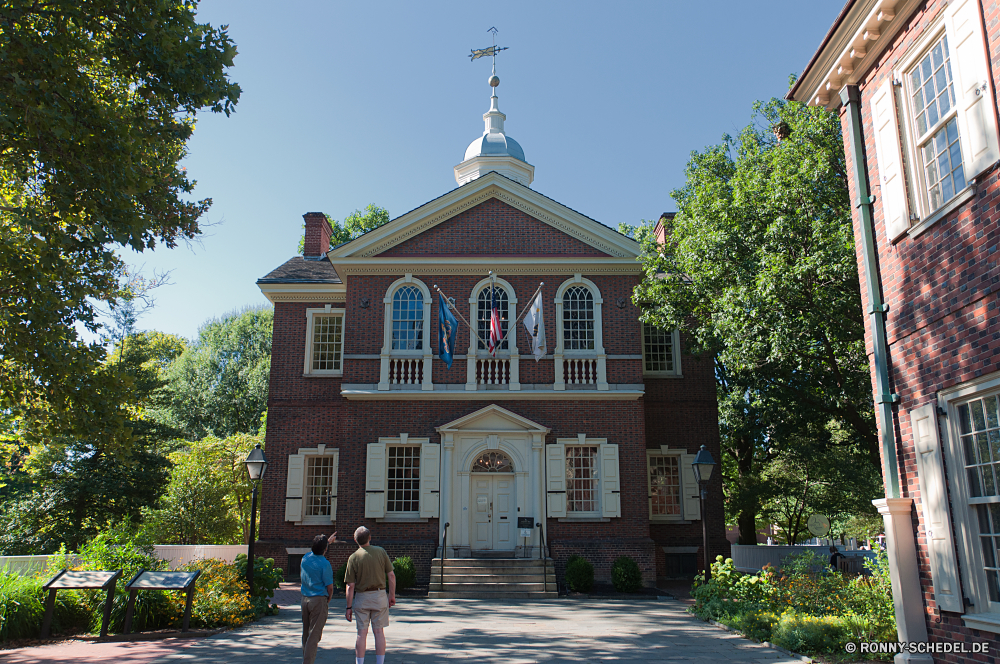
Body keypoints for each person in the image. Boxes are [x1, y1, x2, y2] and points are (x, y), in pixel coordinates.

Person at [345, 526, 395, 664]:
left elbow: (350, 585)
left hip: (362, 597)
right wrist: (392, 595)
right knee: (379, 632)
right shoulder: (380, 552)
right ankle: (380, 662)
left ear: (355, 540)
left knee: (361, 634)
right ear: (370, 537)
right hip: (379, 596)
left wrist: (348, 607)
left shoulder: (353, 557)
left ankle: (359, 662)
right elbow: (391, 575)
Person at [300, 533, 335, 664]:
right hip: (318, 600)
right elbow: (330, 587)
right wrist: (328, 599)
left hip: (305, 600)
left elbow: (315, 552)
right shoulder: (325, 564)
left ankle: (306, 658)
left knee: (306, 633)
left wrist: (327, 543)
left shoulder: (305, 558)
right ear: (325, 549)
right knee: (314, 636)